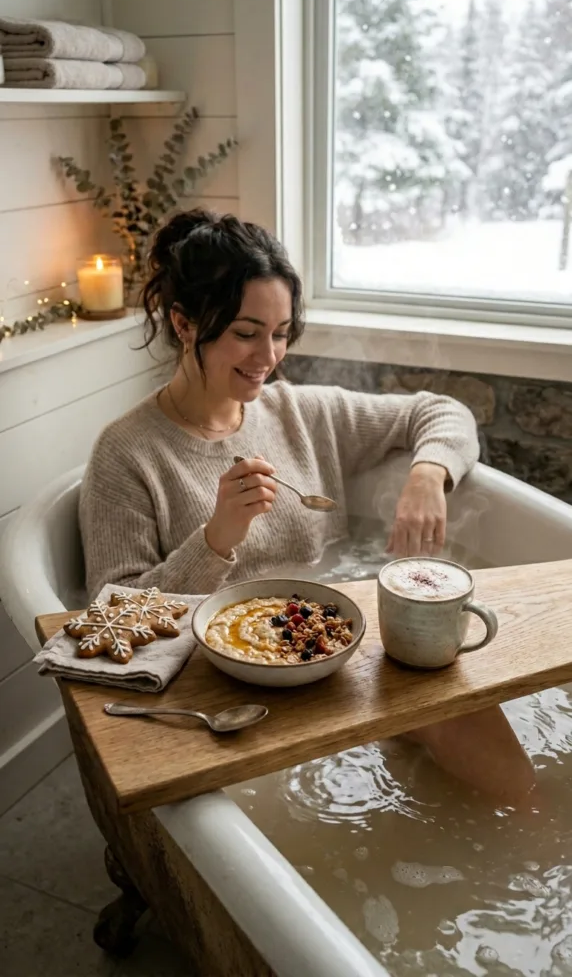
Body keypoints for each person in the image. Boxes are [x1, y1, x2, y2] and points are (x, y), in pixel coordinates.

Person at [80, 208, 536, 805]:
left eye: (281, 332)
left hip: (338, 656)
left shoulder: (299, 412)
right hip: (224, 693)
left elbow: (440, 411)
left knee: (488, 741)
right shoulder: (125, 453)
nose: (268, 356)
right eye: (246, 332)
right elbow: (114, 624)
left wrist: (429, 475)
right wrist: (216, 539)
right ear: (185, 324)